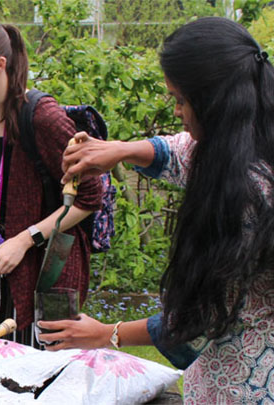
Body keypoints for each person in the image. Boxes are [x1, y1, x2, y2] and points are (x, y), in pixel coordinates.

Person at [42, 17, 274, 403]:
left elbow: (202, 320)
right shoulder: (252, 136)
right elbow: (185, 151)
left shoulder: (251, 192)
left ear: (215, 103)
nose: (178, 113)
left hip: (246, 386)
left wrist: (107, 333)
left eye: (181, 101)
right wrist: (121, 149)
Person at [0, 16, 103, 346]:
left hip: (54, 261)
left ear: (0, 65)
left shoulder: (44, 117)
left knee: (51, 357)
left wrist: (25, 239)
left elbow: (89, 197)